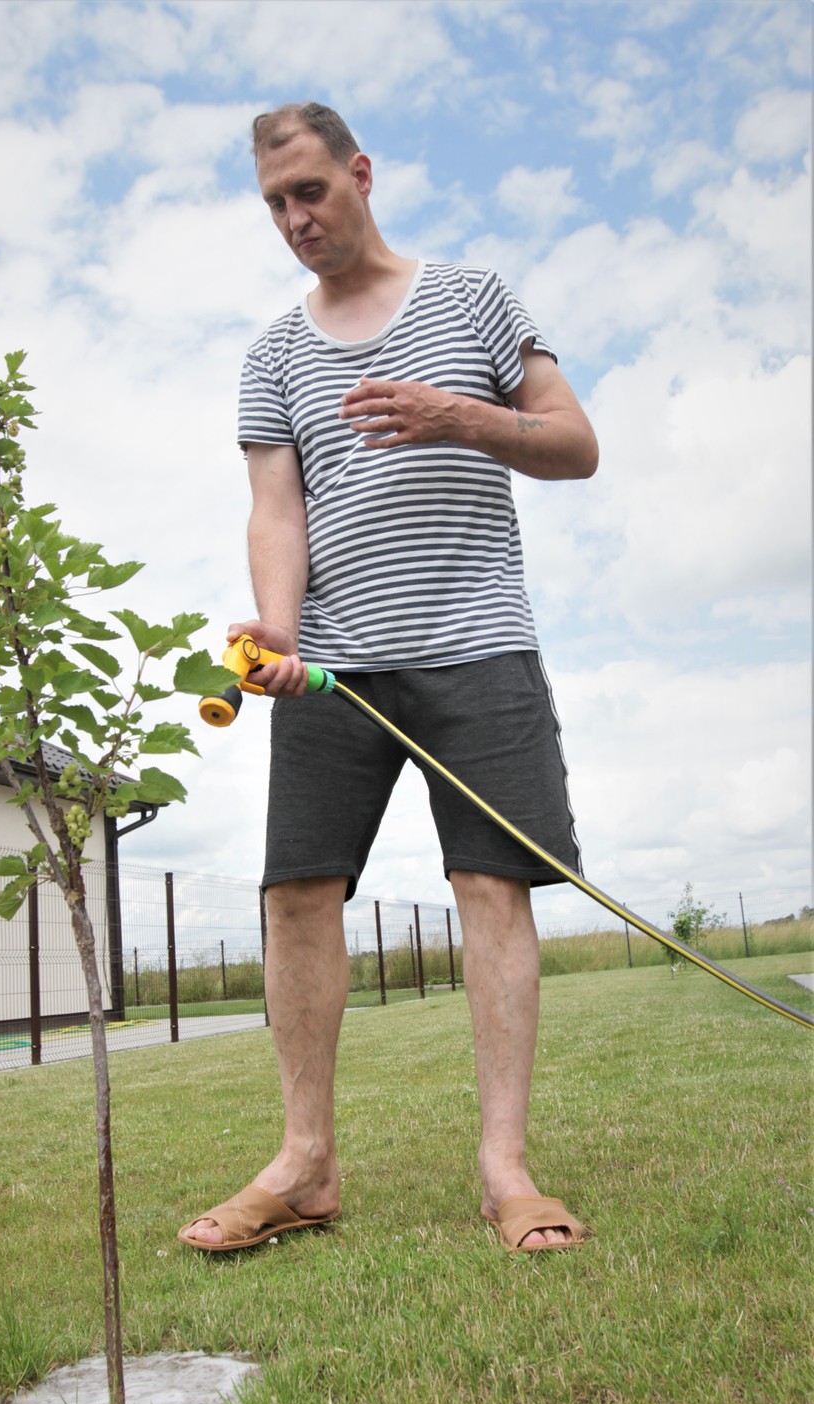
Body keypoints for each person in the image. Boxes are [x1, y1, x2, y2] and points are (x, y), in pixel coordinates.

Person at [178, 102, 599, 1255]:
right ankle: (305, 1165)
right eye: (273, 203)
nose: (294, 219)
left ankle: (506, 1170)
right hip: (335, 670)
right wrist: (275, 631)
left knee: (488, 889)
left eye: (309, 190)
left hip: (477, 644)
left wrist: (457, 416)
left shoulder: (473, 297)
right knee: (295, 896)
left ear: (360, 174)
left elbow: (574, 443)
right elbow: (277, 508)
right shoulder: (271, 356)